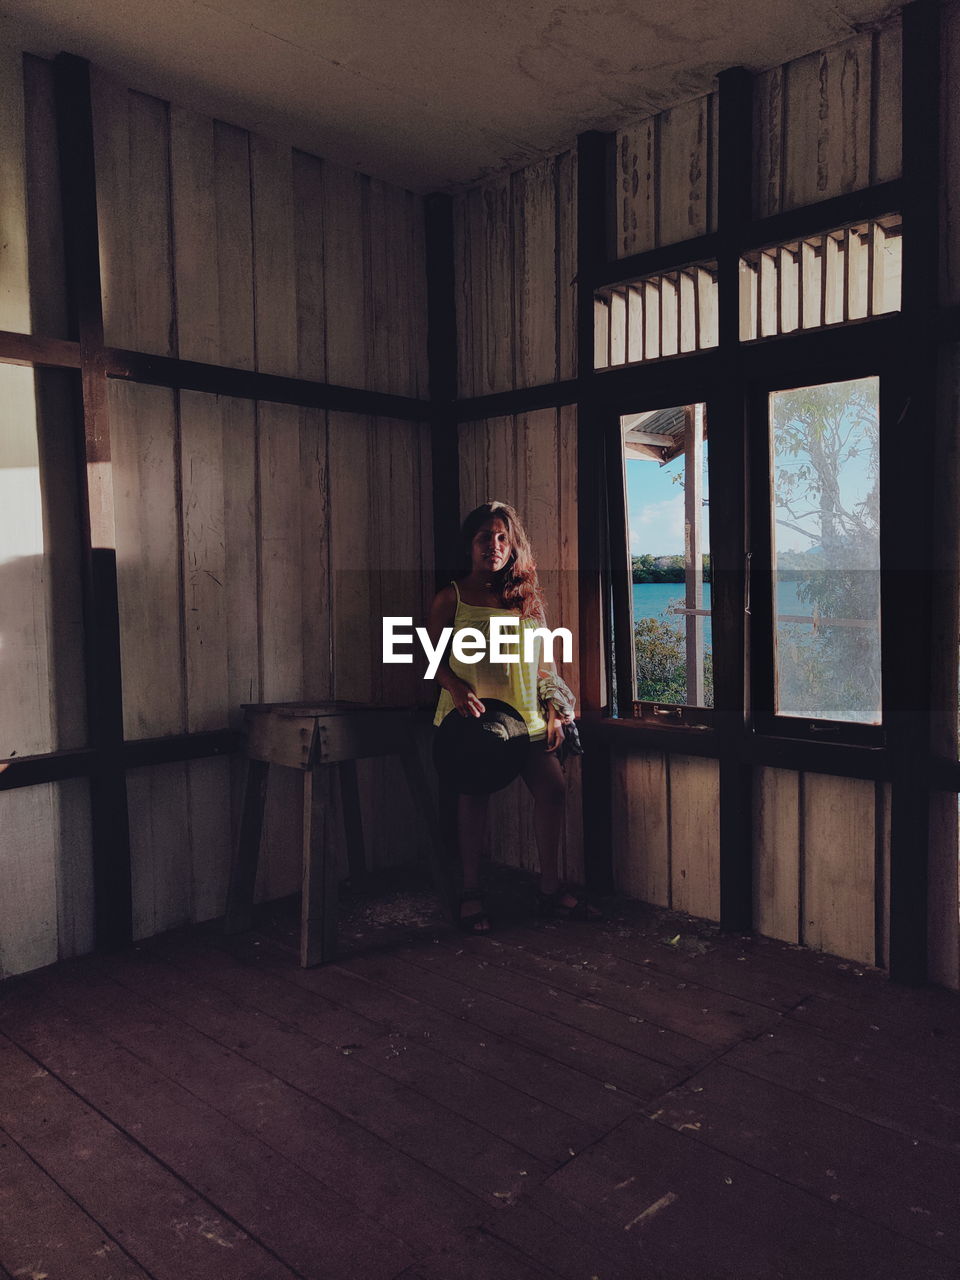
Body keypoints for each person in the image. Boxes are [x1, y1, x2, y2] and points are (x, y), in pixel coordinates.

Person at [426, 500, 600, 933]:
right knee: (473, 800)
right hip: (475, 725)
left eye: (503, 537)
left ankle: (549, 891)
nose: (495, 545)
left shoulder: (527, 600)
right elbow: (428, 657)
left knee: (554, 791)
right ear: (470, 544)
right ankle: (470, 892)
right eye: (485, 536)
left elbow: (545, 664)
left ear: (514, 546)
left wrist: (557, 712)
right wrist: (454, 685)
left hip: (526, 718)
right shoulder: (452, 598)